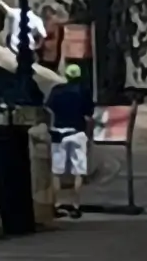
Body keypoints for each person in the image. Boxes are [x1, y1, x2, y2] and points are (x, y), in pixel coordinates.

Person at [45, 62, 96, 216]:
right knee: (78, 172)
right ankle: (75, 205)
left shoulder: (56, 91)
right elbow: (89, 113)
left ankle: (57, 204)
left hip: (58, 134)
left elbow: (48, 109)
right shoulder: (83, 91)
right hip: (77, 133)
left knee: (56, 172)